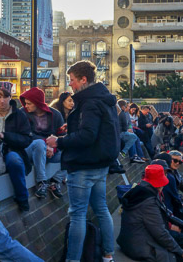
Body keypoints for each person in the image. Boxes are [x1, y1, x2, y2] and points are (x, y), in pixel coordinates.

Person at [45, 60, 118, 262]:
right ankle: (108, 255)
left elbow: (87, 136)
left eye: (72, 81)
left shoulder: (89, 102)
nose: (71, 85)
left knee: (77, 215)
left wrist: (58, 141)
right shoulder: (104, 99)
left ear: (83, 79)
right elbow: (98, 130)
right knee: (102, 209)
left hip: (84, 165)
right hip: (101, 165)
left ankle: (73, 260)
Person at [117, 164, 183, 262]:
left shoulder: (140, 189)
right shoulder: (149, 201)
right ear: (159, 183)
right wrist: (180, 251)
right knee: (178, 255)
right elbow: (160, 233)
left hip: (130, 239)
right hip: (139, 246)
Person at [20, 87, 66, 199]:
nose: (26, 106)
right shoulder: (22, 113)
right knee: (39, 143)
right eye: (25, 103)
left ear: (37, 103)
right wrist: (46, 145)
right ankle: (42, 182)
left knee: (71, 149)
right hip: (30, 149)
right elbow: (25, 135)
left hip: (51, 151)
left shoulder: (56, 115)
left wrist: (53, 148)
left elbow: (60, 136)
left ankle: (55, 182)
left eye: (29, 103)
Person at [117, 99, 146, 163]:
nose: (129, 108)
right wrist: (128, 130)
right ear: (123, 107)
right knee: (133, 137)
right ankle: (133, 155)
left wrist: (131, 129)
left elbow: (129, 123)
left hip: (126, 131)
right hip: (121, 132)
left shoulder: (126, 113)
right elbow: (123, 126)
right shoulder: (122, 114)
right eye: (128, 106)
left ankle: (138, 156)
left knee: (136, 138)